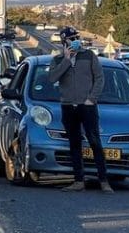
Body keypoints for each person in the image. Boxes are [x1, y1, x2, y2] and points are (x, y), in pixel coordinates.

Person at [48, 26, 113, 194]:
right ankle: (78, 180)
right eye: (71, 39)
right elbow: (52, 78)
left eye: (76, 37)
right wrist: (66, 60)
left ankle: (104, 180)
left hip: (87, 106)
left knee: (95, 142)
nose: (75, 41)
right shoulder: (57, 60)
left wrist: (91, 99)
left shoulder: (89, 56)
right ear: (64, 42)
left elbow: (99, 78)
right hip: (68, 105)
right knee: (74, 143)